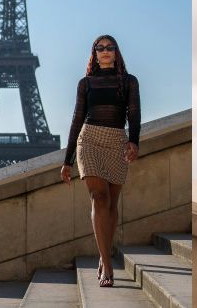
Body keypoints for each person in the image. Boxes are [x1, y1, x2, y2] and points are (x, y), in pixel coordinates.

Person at [59, 35, 141, 288]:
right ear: (94, 53)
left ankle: (103, 252)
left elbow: (135, 113)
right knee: (100, 197)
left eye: (109, 48)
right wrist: (68, 159)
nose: (105, 51)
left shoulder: (129, 81)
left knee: (112, 205)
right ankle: (107, 262)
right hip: (89, 140)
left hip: (116, 141)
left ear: (116, 53)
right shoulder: (86, 83)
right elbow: (77, 118)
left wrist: (134, 141)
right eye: (100, 48)